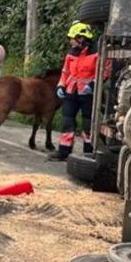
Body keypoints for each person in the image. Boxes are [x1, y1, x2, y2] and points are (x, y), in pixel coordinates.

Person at [51, 22, 100, 161]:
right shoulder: (71, 54)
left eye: (72, 38)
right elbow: (65, 72)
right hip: (70, 92)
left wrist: (93, 85)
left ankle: (89, 152)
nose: (70, 41)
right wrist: (61, 85)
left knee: (88, 124)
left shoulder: (96, 54)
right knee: (67, 122)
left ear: (81, 38)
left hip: (88, 94)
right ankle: (64, 151)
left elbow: (104, 72)